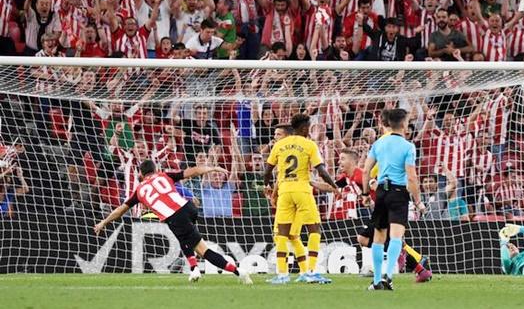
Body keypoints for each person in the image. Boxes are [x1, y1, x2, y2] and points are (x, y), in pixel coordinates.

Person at [93, 160, 252, 284]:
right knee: (184, 238)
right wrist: (212, 168)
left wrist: (103, 222)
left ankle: (239, 272)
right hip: (188, 207)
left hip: (175, 216)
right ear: (155, 170)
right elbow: (193, 171)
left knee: (203, 251)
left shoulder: (140, 190)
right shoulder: (164, 175)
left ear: (141, 174)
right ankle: (194, 268)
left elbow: (120, 210)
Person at [264, 114, 341, 284]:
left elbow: (268, 170)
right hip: (302, 191)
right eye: (309, 126)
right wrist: (334, 186)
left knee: (283, 233)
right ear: (304, 128)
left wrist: (266, 186)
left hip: (285, 192)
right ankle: (311, 272)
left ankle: (282, 274)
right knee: (314, 230)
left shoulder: (279, 145)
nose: (310, 130)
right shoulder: (309, 145)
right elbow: (321, 170)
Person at [362, 108, 426, 291]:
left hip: (382, 191)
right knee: (396, 237)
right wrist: (418, 201)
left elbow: (366, 171)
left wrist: (366, 194)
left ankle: (376, 281)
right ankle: (388, 277)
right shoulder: (408, 146)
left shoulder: (379, 144)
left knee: (378, 237)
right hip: (399, 193)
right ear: (404, 124)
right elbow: (412, 177)